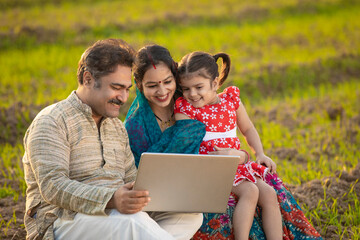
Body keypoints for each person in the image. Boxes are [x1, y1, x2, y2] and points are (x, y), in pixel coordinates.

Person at [125, 45, 322, 240]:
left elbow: (244, 131)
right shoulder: (160, 116)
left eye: (168, 81)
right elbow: (171, 156)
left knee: (270, 191)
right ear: (139, 84)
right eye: (152, 85)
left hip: (232, 162)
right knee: (247, 192)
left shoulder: (205, 98)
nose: (162, 90)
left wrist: (248, 155)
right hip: (199, 175)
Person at [22, 39, 203, 240]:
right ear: (88, 79)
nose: (124, 98)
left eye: (127, 89)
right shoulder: (52, 120)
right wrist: (111, 199)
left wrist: (147, 195)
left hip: (118, 217)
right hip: (63, 220)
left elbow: (130, 179)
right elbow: (52, 186)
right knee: (131, 222)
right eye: (116, 87)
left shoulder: (116, 127)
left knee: (189, 215)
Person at [174, 51, 282, 240]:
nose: (192, 94)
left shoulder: (231, 100)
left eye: (199, 87)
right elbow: (187, 143)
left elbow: (248, 129)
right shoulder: (185, 109)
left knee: (270, 194)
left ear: (215, 83)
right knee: (250, 191)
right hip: (211, 166)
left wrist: (260, 154)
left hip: (236, 163)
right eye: (186, 89)